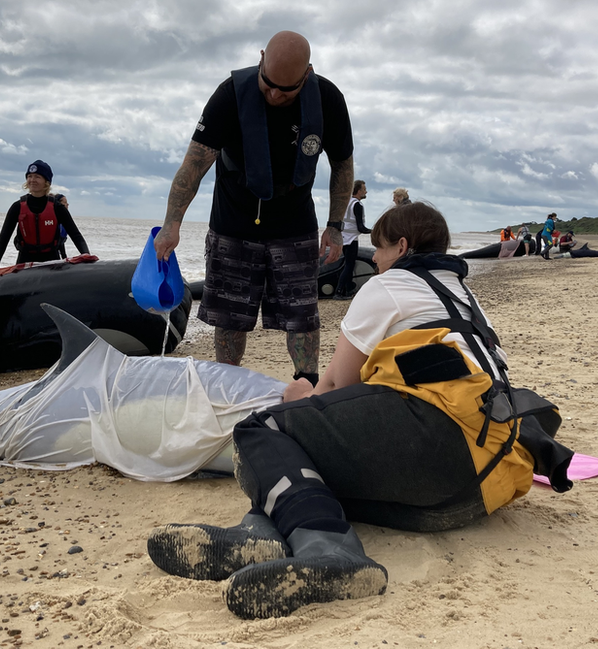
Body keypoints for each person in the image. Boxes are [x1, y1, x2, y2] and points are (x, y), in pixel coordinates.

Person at [147, 201, 574, 619]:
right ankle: (261, 533)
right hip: (481, 486)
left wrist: (298, 396)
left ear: (402, 247)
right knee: (312, 471)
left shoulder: (388, 287)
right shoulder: (465, 298)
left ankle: (330, 550)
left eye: (382, 249)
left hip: (438, 448)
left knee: (264, 430)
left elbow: (334, 385)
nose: (377, 259)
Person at [152, 31, 354, 386]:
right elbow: (194, 164)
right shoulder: (230, 94)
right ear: (260, 59)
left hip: (294, 225)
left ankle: (306, 385)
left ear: (307, 74)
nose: (275, 95)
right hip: (234, 223)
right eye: (268, 84)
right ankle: (227, 385)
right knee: (230, 319)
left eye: (286, 90)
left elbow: (343, 165)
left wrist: (335, 225)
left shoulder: (327, 99)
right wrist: (172, 224)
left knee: (303, 317)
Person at [0, 160, 91, 269]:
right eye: (29, 176)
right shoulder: (17, 207)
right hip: (25, 261)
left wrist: (86, 255)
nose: (32, 180)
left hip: (51, 262)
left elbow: (76, 235)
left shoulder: (57, 208)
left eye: (37, 177)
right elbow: (4, 237)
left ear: (46, 182)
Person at [334, 180, 371, 300]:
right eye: (364, 189)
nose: (366, 191)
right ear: (359, 191)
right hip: (352, 238)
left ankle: (348, 289)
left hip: (343, 237)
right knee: (349, 265)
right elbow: (361, 227)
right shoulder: (357, 205)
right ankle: (339, 292)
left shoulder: (347, 202)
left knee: (348, 264)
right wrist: (374, 231)